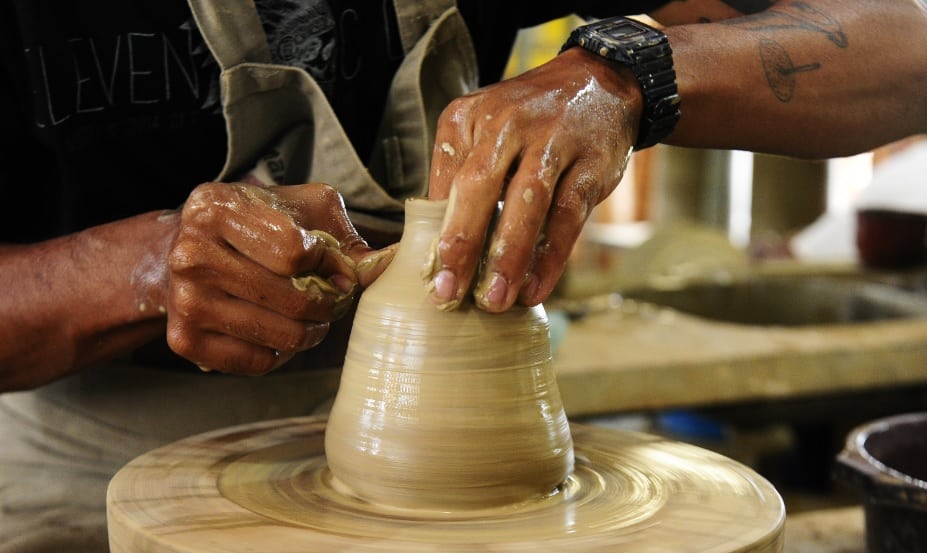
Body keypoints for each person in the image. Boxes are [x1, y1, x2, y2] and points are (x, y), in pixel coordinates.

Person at [0, 0, 924, 550]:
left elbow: (902, 48)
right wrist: (142, 269)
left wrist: (625, 71)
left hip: (478, 465)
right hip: (92, 446)